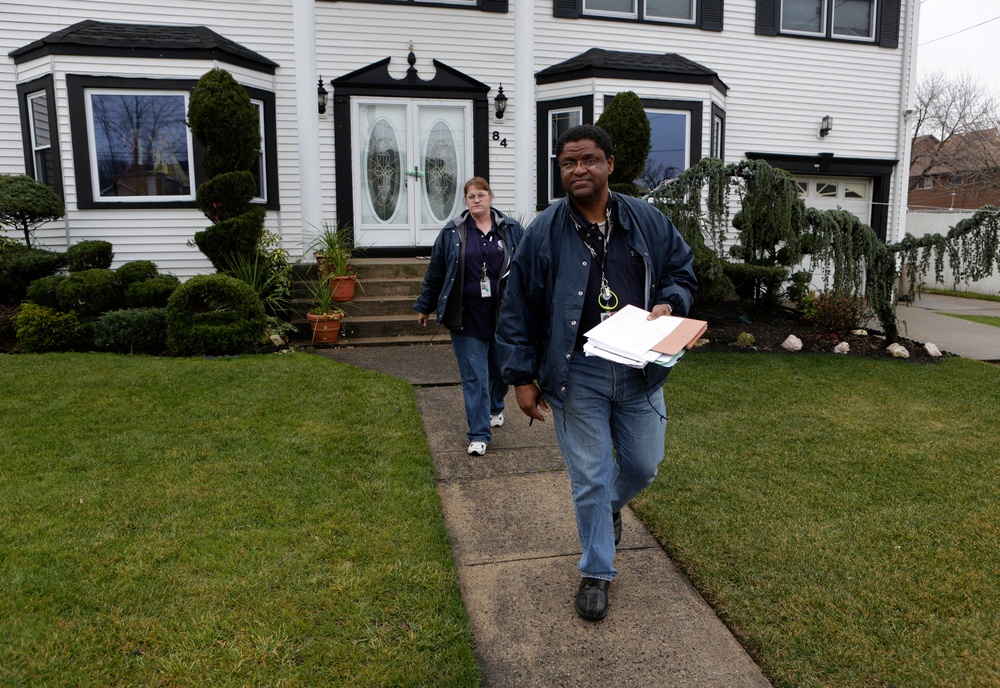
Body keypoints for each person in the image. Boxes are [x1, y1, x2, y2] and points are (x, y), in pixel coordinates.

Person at [496, 124, 697, 621]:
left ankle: (607, 510)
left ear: (610, 164)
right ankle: (597, 571)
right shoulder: (544, 229)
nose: (578, 170)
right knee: (588, 475)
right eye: (568, 163)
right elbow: (516, 306)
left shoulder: (647, 220)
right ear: (560, 171)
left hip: (639, 369)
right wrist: (521, 377)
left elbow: (681, 270)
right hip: (575, 371)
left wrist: (671, 301)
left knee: (644, 465)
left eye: (587, 160)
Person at [415, 177, 525, 456]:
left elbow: (527, 268)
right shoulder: (453, 232)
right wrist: (425, 304)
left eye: (481, 194)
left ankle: (495, 407)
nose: (476, 199)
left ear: (491, 197)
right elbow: (436, 271)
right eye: (471, 196)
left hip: (503, 317)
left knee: (501, 371)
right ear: (466, 201)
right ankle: (478, 434)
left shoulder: (512, 229)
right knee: (474, 376)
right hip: (465, 316)